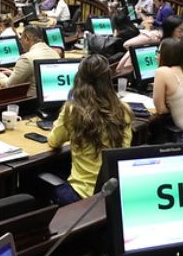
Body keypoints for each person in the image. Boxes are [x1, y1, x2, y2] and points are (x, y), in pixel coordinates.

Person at [47, 55, 133, 204]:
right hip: (114, 192)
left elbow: (54, 142)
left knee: (35, 182)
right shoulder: (123, 109)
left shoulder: (73, 110)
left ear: (79, 77)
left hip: (81, 194)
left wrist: (57, 124)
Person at [0, 25, 58, 97]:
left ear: (26, 38)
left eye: (21, 39)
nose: (20, 43)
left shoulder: (26, 58)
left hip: (31, 103)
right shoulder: (54, 53)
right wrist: (13, 74)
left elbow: (8, 86)